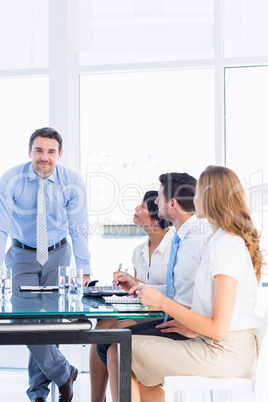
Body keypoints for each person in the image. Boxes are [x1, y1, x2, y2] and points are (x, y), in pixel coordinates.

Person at [107, 165, 264, 402]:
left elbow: (218, 329)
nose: (193, 198)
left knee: (120, 350)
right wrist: (189, 323)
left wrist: (162, 302)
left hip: (225, 353)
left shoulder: (226, 247)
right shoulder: (219, 241)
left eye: (198, 192)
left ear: (211, 198)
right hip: (215, 344)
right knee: (123, 349)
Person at [0, 127, 91, 402]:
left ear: (59, 154)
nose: (44, 157)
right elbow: (1, 228)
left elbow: (79, 228)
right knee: (26, 322)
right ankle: (65, 374)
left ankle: (38, 394)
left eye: (51, 151)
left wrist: (84, 267)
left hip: (58, 255)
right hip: (22, 255)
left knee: (50, 323)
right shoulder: (11, 179)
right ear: (30, 152)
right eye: (39, 150)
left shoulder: (72, 182)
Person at [96, 172, 209, 393]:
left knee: (115, 346)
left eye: (159, 197)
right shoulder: (182, 237)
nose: (156, 202)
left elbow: (212, 294)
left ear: (173, 204)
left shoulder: (199, 240)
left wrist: (195, 327)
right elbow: (178, 289)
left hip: (189, 326)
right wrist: (139, 287)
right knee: (107, 343)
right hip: (176, 318)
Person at [90, 190, 173, 402]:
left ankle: (137, 382)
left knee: (118, 330)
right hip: (145, 310)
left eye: (142, 207)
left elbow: (175, 289)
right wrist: (130, 284)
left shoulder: (175, 246)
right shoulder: (139, 251)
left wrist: (138, 285)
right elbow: (141, 290)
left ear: (156, 217)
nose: (136, 209)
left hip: (166, 312)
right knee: (101, 326)